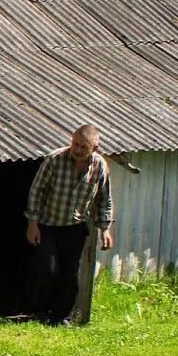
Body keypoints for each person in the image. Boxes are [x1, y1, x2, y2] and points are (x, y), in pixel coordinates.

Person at [24, 124, 115, 326]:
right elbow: (36, 191)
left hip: (75, 227)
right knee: (46, 268)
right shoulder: (54, 160)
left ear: (95, 147)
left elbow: (104, 199)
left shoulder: (100, 167)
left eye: (84, 146)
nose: (77, 149)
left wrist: (105, 228)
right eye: (75, 144)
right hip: (48, 224)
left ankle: (61, 316)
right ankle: (38, 311)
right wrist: (33, 223)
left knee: (70, 273)